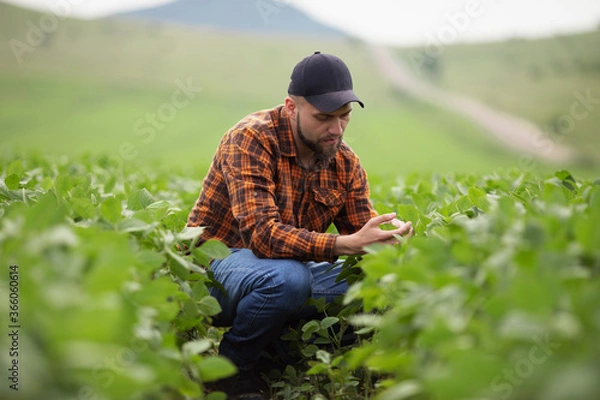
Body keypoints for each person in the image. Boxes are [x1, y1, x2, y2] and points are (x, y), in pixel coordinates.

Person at [186, 51, 413, 399]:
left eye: (344, 116)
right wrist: (342, 244)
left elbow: (362, 231)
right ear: (292, 107)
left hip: (285, 272)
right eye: (323, 117)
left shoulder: (344, 161)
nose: (335, 129)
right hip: (217, 269)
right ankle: (230, 373)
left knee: (368, 282)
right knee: (288, 278)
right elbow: (262, 237)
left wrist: (386, 238)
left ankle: (279, 354)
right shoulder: (251, 138)